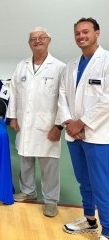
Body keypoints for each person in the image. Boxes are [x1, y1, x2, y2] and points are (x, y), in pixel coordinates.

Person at [7, 27, 65, 217]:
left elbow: (63, 100)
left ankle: (50, 200)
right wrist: (13, 116)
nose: (37, 40)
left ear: (49, 40)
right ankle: (28, 191)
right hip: (25, 121)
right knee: (25, 158)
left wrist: (59, 126)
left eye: (42, 38)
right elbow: (14, 93)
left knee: (49, 164)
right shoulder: (21, 66)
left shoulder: (59, 67)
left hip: (48, 125)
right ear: (29, 43)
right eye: (33, 38)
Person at [59, 17, 109, 240]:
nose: (81, 36)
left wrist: (83, 122)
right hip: (74, 134)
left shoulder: (106, 61)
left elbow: (107, 100)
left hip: (97, 135)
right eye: (77, 33)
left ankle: (107, 231)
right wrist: (70, 123)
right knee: (84, 181)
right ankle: (90, 220)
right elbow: (62, 97)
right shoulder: (70, 66)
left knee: (101, 185)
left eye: (86, 32)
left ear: (97, 33)